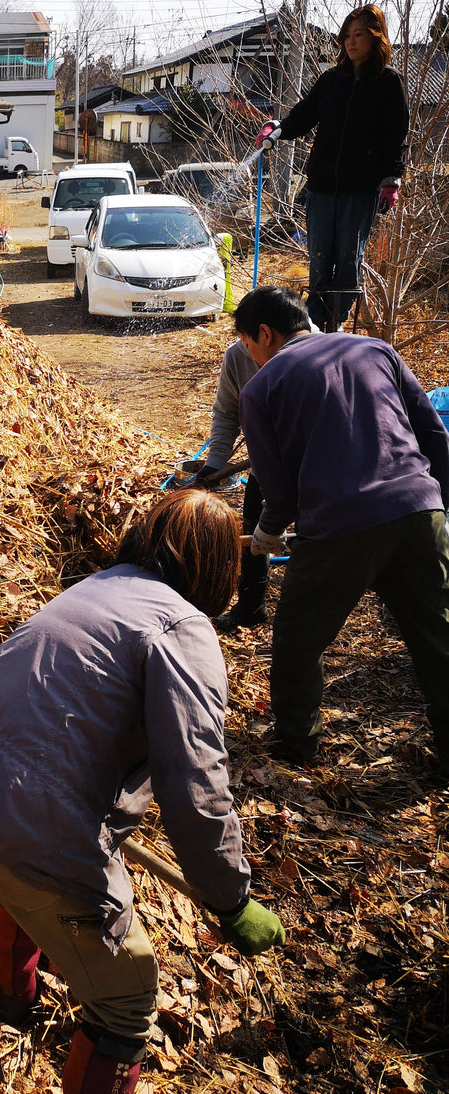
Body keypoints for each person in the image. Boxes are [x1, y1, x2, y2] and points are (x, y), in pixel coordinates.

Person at [0, 491, 285, 1094]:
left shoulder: (96, 588)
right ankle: (22, 1006)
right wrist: (232, 899)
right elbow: (197, 785)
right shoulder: (183, 630)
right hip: (26, 817)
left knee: (22, 885)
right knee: (128, 999)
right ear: (218, 570)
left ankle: (7, 1001)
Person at [235, 286, 449, 768]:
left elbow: (279, 494)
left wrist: (267, 536)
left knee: (297, 639)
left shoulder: (261, 389)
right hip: (420, 512)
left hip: (340, 528)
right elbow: (434, 435)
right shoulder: (375, 349)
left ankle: (296, 749)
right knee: (438, 637)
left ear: (265, 334)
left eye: (248, 346)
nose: (250, 357)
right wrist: (440, 506)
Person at [256, 4, 408, 332]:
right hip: (322, 186)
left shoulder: (389, 83)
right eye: (346, 36)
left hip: (360, 188)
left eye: (359, 36)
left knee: (348, 265)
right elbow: (304, 114)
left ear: (375, 38)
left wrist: (391, 179)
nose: (350, 43)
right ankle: (313, 328)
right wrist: (278, 128)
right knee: (320, 261)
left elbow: (395, 136)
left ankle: (326, 326)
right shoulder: (331, 80)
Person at [194, 340, 270, 630]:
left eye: (249, 341)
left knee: (308, 535)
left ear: (268, 334)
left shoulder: (312, 349)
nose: (245, 346)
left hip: (311, 463)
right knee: (253, 530)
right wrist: (215, 463)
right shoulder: (238, 354)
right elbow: (227, 413)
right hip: (265, 461)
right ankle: (251, 607)